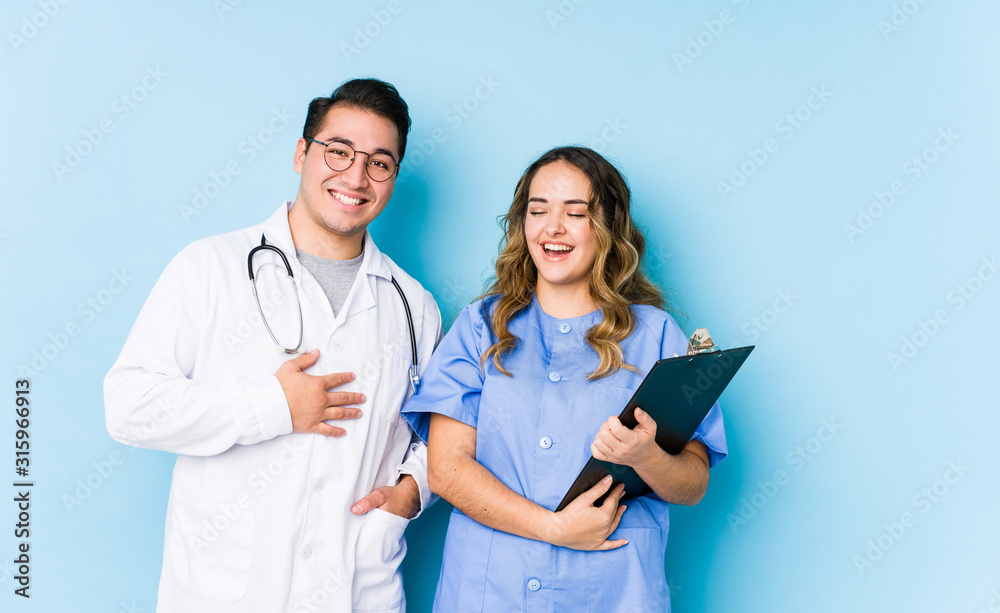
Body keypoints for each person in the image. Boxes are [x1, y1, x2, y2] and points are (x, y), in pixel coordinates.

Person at [104, 78, 441, 612]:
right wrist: (271, 407)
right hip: (225, 594)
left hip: (358, 593)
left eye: (380, 162)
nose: (356, 176)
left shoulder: (413, 305)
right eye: (338, 151)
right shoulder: (210, 267)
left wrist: (412, 491)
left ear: (393, 177)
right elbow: (129, 407)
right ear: (302, 153)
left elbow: (434, 434)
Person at [401, 146, 726, 612]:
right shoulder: (479, 327)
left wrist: (648, 457)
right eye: (538, 211)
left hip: (611, 592)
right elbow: (447, 469)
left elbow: (693, 484)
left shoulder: (656, 336)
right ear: (523, 224)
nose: (553, 228)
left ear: (608, 229)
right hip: (490, 592)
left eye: (577, 213)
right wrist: (553, 528)